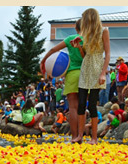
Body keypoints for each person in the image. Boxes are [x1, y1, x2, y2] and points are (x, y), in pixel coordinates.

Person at [41, 18, 83, 142]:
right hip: (85, 75)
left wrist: (43, 61)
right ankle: (81, 135)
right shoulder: (89, 40)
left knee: (73, 108)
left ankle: (75, 137)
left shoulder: (71, 39)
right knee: (82, 107)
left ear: (76, 28)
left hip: (72, 74)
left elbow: (54, 49)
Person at [72, 8, 111, 144]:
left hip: (97, 67)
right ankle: (80, 136)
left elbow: (107, 54)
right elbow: (85, 55)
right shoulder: (86, 33)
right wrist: (78, 47)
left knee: (92, 105)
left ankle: (94, 138)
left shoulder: (104, 31)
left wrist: (103, 73)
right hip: (86, 67)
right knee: (81, 103)